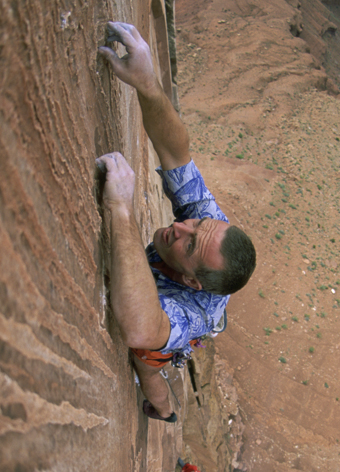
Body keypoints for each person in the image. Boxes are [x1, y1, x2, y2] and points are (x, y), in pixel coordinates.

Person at [96, 21, 256, 423]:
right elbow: (175, 150)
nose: (180, 228)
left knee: (149, 364)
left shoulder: (194, 309)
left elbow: (139, 329)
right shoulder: (207, 225)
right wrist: (148, 85)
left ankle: (166, 412)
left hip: (174, 318)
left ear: (191, 280)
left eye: (188, 244)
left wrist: (120, 210)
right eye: (194, 225)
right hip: (176, 283)